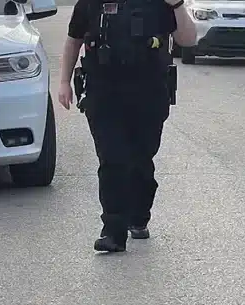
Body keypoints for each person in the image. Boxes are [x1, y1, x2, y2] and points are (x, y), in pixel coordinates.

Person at [57, 0, 197, 252]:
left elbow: (187, 39)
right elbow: (73, 40)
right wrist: (64, 82)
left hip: (149, 94)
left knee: (141, 160)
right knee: (112, 159)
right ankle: (113, 230)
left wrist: (177, 5)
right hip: (103, 93)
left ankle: (139, 215)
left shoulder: (158, 4)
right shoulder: (90, 3)